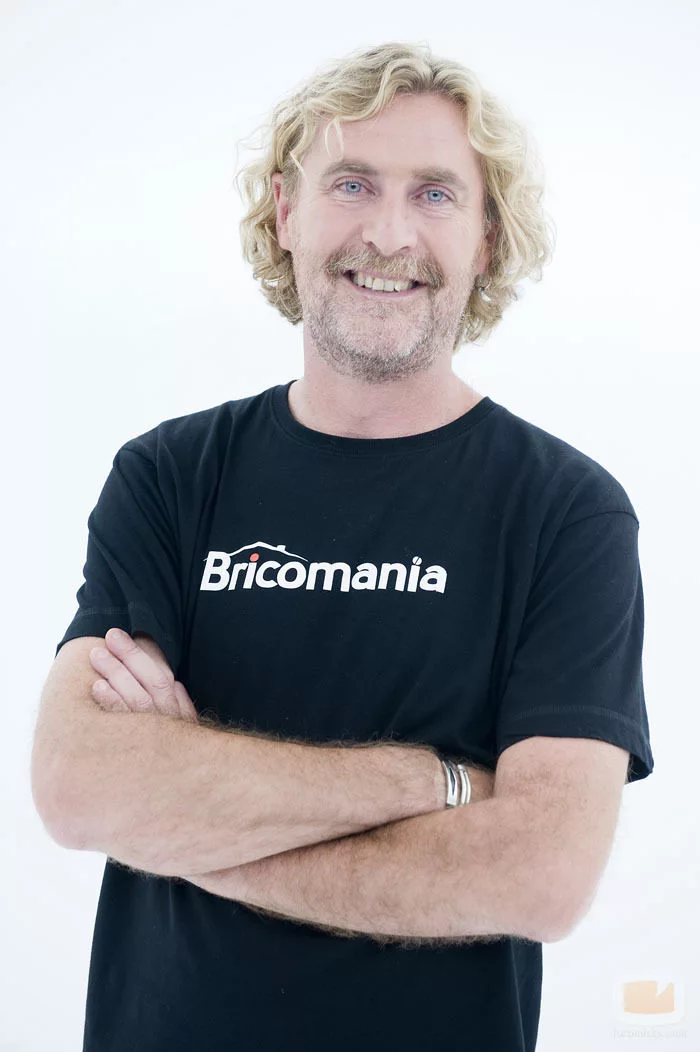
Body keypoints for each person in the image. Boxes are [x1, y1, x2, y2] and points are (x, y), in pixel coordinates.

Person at [33, 41, 654, 1052]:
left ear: (487, 238)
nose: (389, 232)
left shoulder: (566, 512)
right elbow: (79, 784)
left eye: (436, 194)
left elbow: (539, 872)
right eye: (352, 183)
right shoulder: (170, 475)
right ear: (286, 212)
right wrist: (438, 782)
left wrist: (190, 828)